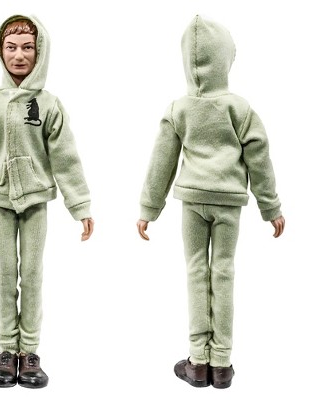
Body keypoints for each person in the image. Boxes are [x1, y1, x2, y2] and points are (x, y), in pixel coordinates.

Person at [0, 14, 94, 389]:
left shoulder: (49, 104)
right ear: (0, 51)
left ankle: (29, 351)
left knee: (33, 274)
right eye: (11, 47)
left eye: (28, 47)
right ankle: (6, 350)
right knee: (4, 274)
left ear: (40, 52)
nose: (19, 55)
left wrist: (80, 205)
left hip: (36, 201)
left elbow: (66, 158)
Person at [137, 15, 285, 389]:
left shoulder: (178, 108)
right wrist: (270, 207)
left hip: (192, 201)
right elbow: (259, 159)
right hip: (229, 203)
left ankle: (197, 360)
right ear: (225, 60)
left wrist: (149, 209)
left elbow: (161, 163)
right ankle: (221, 363)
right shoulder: (240, 109)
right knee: (223, 272)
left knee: (195, 272)